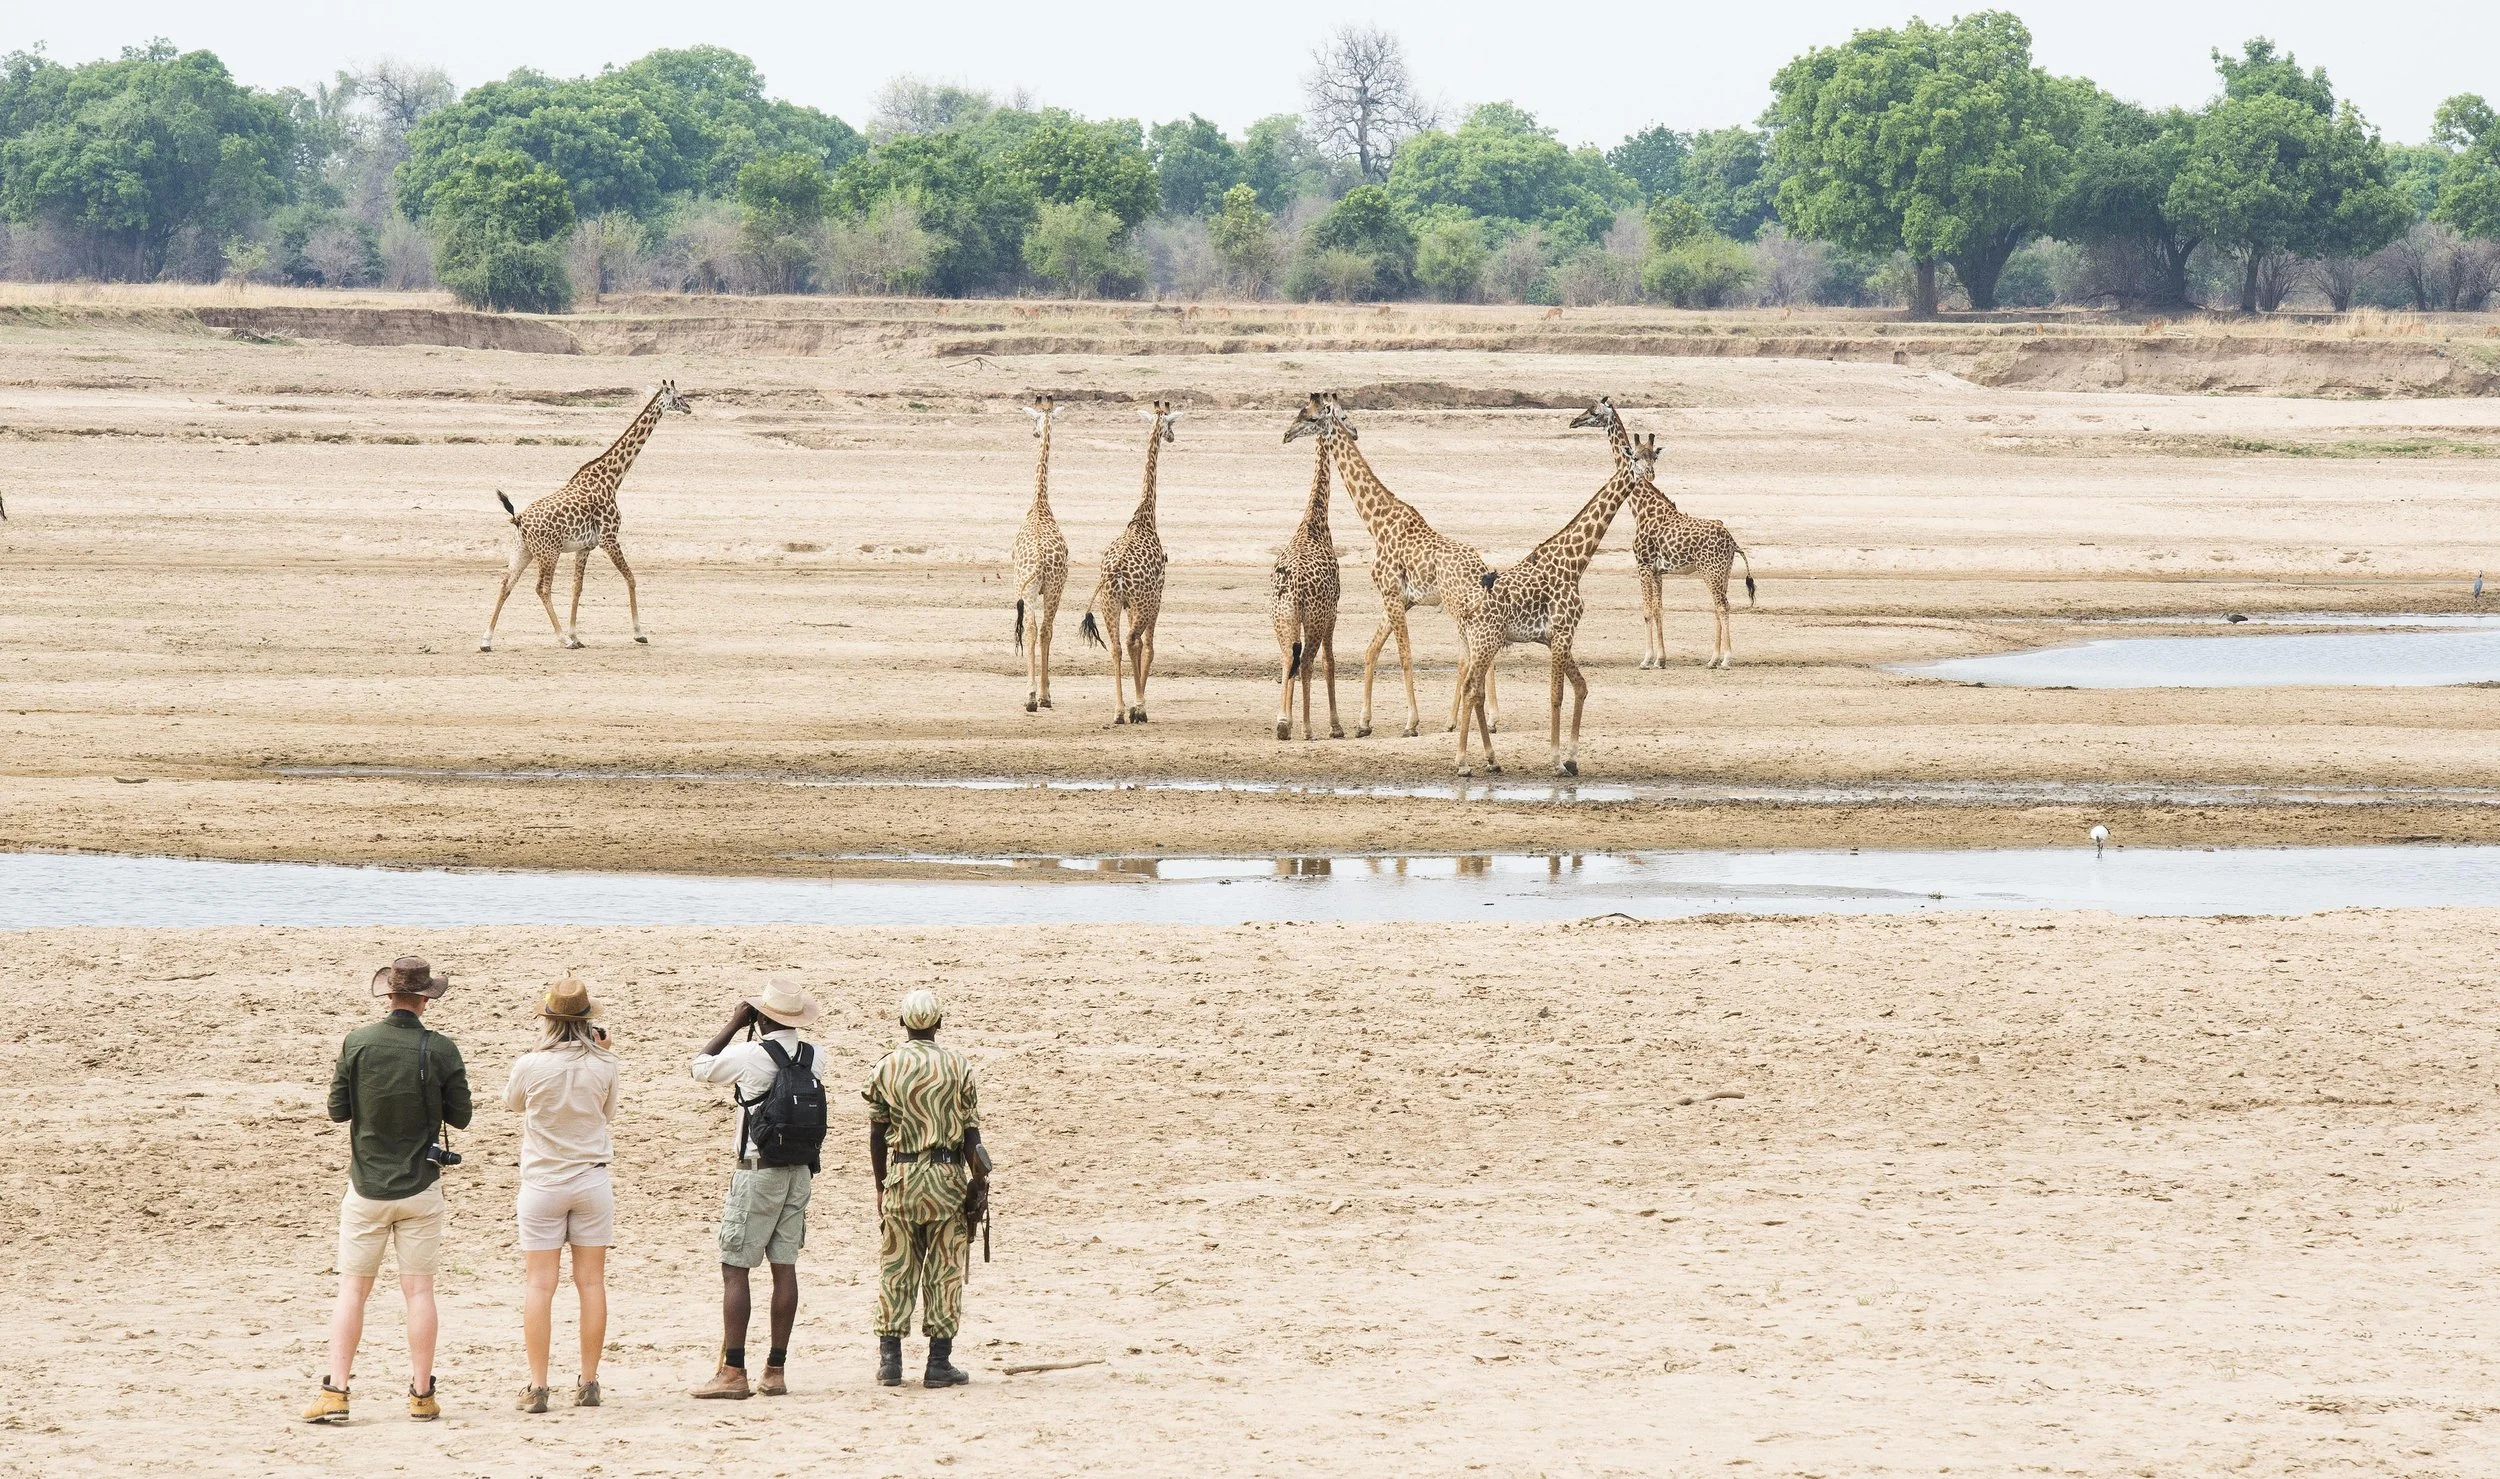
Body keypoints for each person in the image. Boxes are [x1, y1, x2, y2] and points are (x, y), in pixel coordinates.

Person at [305, 956, 472, 1425]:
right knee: (419, 1291)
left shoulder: (357, 1042)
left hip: (367, 1185)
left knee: (352, 1292)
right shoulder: (440, 1048)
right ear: (425, 999)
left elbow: (338, 1111)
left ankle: (337, 1392)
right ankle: (422, 1394)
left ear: (389, 996)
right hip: (421, 1184)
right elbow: (461, 1117)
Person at [688, 979, 827, 1399]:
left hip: (757, 1169)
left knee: (736, 1268)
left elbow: (699, 1066)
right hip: (799, 1170)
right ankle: (776, 1369)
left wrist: (734, 1022)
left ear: (762, 1016)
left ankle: (733, 1370)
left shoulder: (750, 1055)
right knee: (784, 1268)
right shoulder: (815, 1056)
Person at [502, 974, 621, 1413]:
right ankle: (589, 1380)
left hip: (542, 1181)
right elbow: (607, 1113)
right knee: (591, 1283)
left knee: (540, 1284)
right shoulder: (605, 1064)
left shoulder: (530, 1064)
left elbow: (514, 1104)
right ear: (588, 1021)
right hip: (590, 1179)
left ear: (548, 1020)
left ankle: (537, 1386)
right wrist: (602, 1054)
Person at [863, 988, 987, 1389]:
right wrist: (978, 1185)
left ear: (903, 1023)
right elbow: (972, 1137)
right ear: (938, 1023)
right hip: (947, 1177)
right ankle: (938, 1362)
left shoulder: (886, 1067)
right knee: (945, 1270)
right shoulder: (958, 1066)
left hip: (902, 1176)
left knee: (896, 1267)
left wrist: (881, 1185)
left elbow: (877, 1135)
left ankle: (891, 1361)